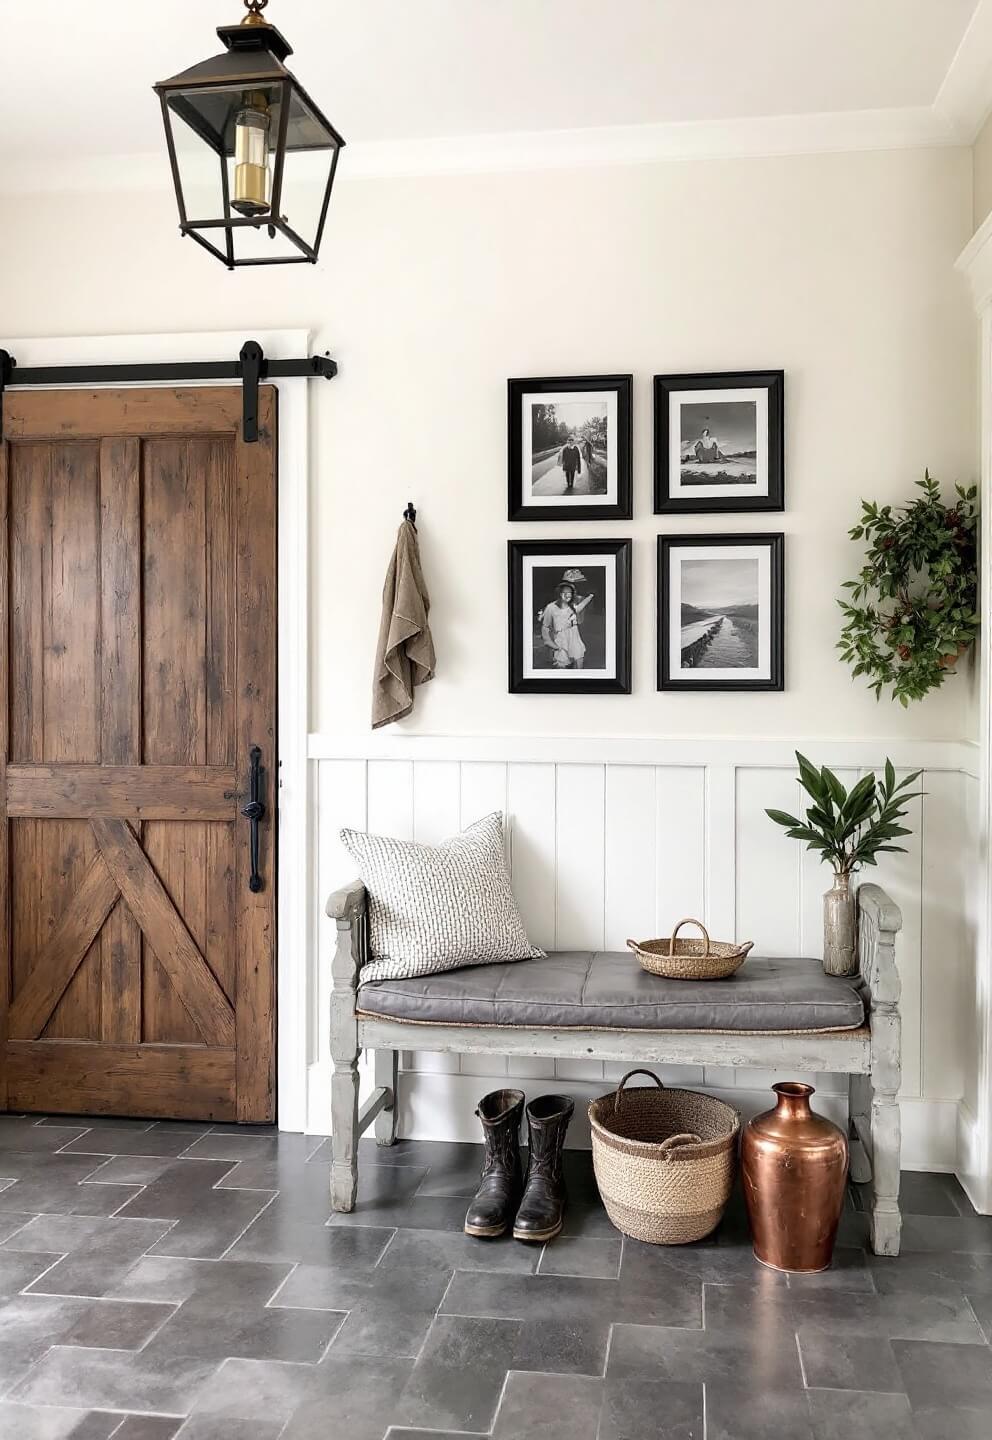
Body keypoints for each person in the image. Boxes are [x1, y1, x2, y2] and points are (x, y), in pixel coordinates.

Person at [540, 578, 593, 669]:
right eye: (563, 592)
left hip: (575, 640)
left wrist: (590, 597)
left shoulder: (572, 607)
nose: (567, 595)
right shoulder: (551, 608)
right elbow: (545, 627)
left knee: (579, 665)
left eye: (569, 593)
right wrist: (549, 642)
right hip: (561, 641)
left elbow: (580, 606)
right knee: (561, 668)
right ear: (559, 594)